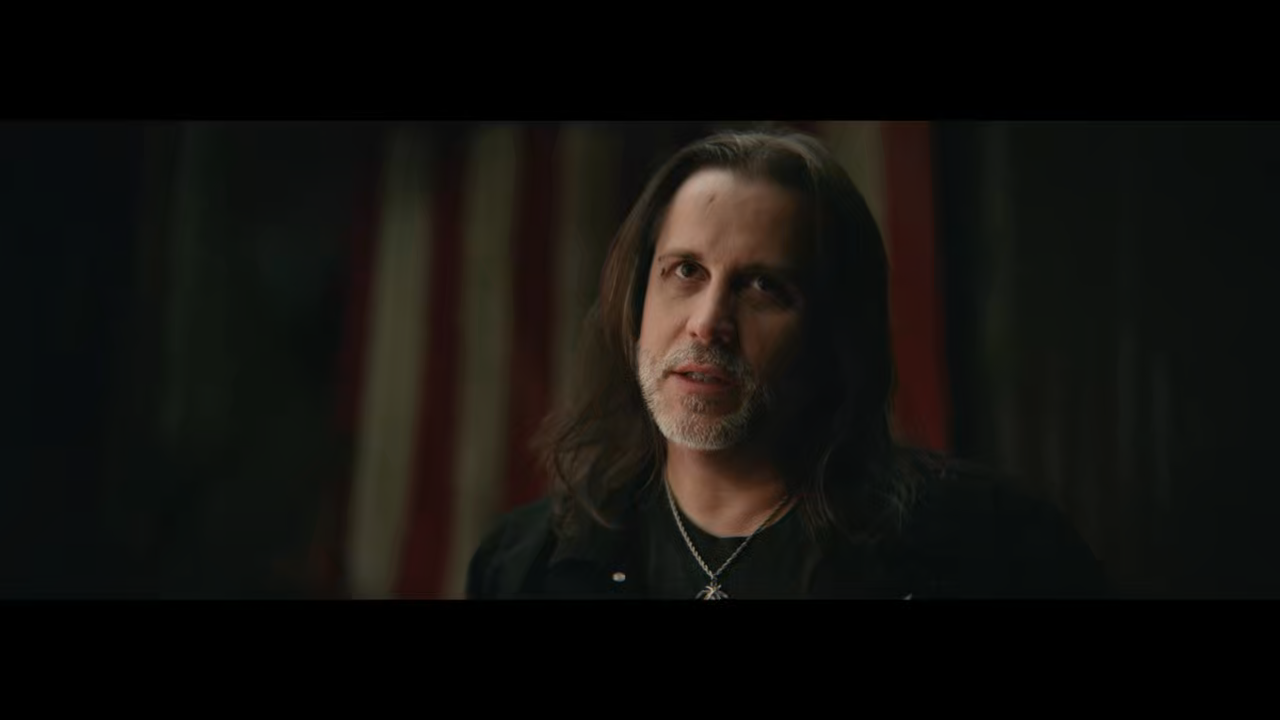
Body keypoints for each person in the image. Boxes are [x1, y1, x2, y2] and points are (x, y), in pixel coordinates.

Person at [466, 129, 1108, 599]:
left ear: (834, 331)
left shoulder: (994, 551)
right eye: (685, 271)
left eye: (762, 287)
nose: (708, 322)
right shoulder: (524, 568)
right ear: (637, 302)